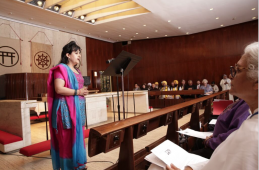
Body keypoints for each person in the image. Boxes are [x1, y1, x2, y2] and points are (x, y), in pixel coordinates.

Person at [166, 42, 258, 170]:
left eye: (237, 70)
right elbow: (222, 161)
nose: (231, 75)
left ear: (257, 82)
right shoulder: (252, 119)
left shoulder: (253, 136)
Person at [47, 41, 88, 170]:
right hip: (65, 110)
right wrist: (78, 92)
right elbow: (59, 89)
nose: (79, 55)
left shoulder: (77, 70)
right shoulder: (61, 69)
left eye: (80, 53)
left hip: (78, 109)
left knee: (77, 136)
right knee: (66, 139)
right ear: (68, 55)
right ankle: (67, 167)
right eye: (76, 53)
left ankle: (77, 164)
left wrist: (81, 93)